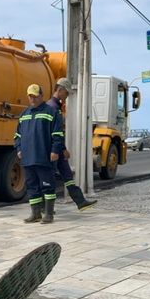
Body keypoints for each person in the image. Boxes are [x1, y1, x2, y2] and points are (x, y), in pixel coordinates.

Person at [14, 84, 64, 224]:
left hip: (44, 156)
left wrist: (55, 150)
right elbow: (17, 135)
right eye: (30, 96)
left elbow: (58, 134)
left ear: (42, 96)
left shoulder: (51, 112)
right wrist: (18, 149)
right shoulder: (24, 114)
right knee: (32, 186)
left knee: (47, 185)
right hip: (28, 158)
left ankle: (48, 214)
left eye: (35, 96)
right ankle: (35, 214)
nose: (33, 98)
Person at [47, 78, 98, 211]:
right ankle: (47, 208)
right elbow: (55, 132)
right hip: (54, 149)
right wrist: (62, 148)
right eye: (67, 93)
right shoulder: (52, 108)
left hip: (57, 148)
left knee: (67, 175)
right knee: (50, 179)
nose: (67, 96)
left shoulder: (54, 106)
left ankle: (80, 201)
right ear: (60, 90)